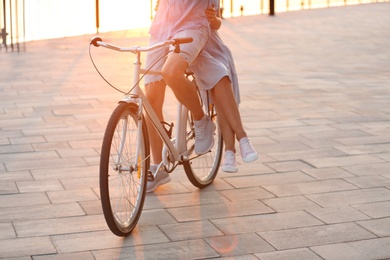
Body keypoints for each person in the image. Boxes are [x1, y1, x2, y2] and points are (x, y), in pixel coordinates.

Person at [144, 0, 216, 192]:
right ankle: (158, 166)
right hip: (161, 28)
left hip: (192, 27)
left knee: (171, 72)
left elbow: (214, 17)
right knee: (150, 99)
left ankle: (201, 120)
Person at [190, 0, 258, 174]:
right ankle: (237, 143)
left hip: (214, 48)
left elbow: (218, 23)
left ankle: (232, 149)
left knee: (220, 91)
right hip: (193, 49)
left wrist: (213, 19)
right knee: (218, 81)